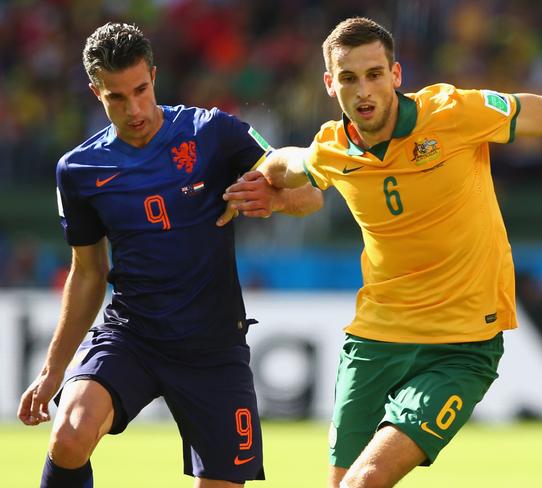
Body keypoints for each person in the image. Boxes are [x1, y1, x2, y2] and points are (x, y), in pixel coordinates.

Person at [222, 16, 542, 488]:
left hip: (460, 344)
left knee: (364, 482)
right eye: (348, 78)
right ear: (330, 84)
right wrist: (269, 188)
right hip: (375, 340)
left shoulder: (451, 112)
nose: (363, 91)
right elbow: (292, 165)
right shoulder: (332, 148)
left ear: (396, 75)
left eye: (374, 74)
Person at [16, 22, 322, 488]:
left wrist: (276, 199)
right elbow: (87, 273)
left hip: (212, 347)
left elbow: (310, 195)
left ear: (154, 76)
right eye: (117, 97)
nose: (134, 108)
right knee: (69, 436)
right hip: (133, 336)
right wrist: (52, 370)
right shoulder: (78, 170)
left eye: (140, 89)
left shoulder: (212, 132)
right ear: (96, 92)